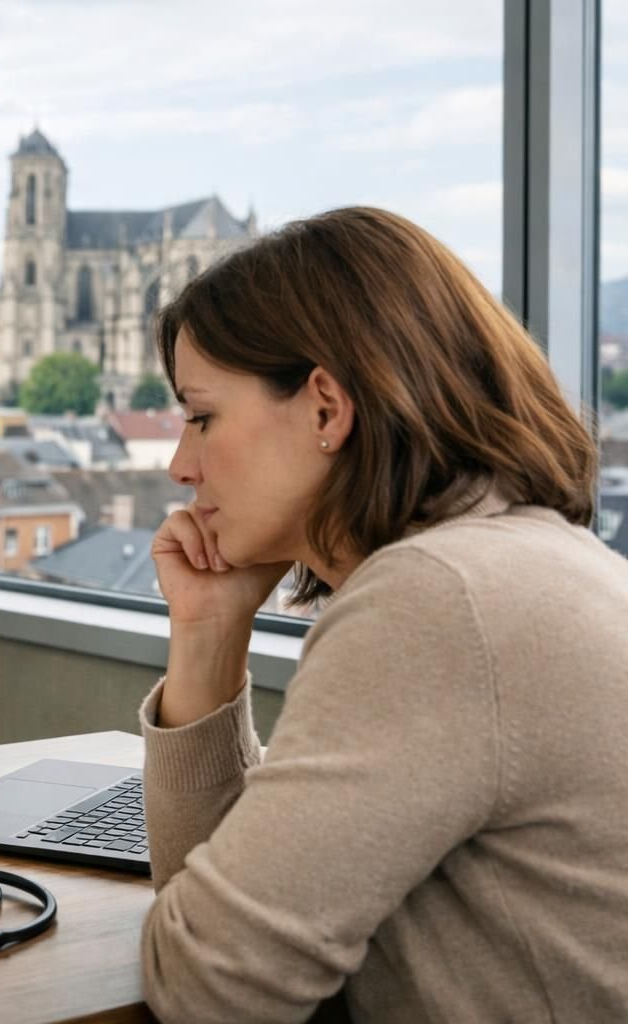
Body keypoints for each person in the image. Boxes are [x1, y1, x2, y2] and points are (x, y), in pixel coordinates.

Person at [138, 206, 628, 1021]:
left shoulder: (435, 603)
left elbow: (206, 989)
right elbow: (227, 934)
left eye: (201, 416)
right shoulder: (528, 560)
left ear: (326, 408)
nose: (181, 465)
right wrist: (208, 632)